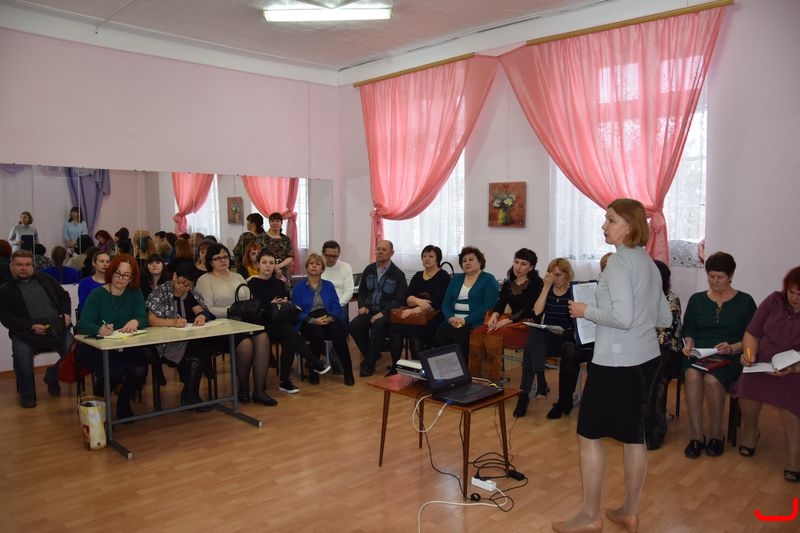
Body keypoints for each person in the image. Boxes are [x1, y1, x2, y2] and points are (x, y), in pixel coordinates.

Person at [556, 198, 672, 533]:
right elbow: (663, 317)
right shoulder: (649, 263)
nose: (603, 226)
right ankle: (629, 512)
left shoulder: (619, 263)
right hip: (646, 359)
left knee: (589, 436)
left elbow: (622, 318)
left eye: (611, 220)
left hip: (616, 363)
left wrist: (585, 311)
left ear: (630, 226)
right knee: (635, 438)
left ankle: (590, 517)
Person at [681, 251, 756, 459]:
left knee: (712, 380)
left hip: (730, 356)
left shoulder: (745, 301)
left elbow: (753, 336)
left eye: (720, 277)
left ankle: (716, 435)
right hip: (700, 354)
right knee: (691, 375)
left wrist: (733, 347)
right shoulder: (697, 300)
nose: (715, 281)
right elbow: (688, 330)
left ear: (730, 276)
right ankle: (696, 436)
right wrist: (689, 344)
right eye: (711, 276)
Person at [738, 266, 800, 482]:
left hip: (795, 367)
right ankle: (751, 431)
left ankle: (794, 453)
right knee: (747, 382)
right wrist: (749, 355)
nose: (795, 298)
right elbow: (752, 332)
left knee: (793, 392)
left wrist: (794, 368)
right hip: (764, 360)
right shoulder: (774, 300)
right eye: (791, 292)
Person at [195, 243, 275, 406]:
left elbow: (249, 300)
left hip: (243, 323)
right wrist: (230, 310)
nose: (223, 260)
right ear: (210, 261)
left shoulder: (238, 276)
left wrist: (247, 309)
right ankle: (243, 388)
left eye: (225, 256)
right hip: (219, 327)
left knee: (263, 337)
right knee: (245, 344)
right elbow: (208, 309)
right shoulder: (204, 280)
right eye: (217, 258)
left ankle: (259, 390)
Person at [516, 257, 594, 419]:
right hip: (548, 336)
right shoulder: (547, 290)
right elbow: (537, 312)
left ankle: (528, 393)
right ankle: (532, 388)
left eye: (558, 275)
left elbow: (580, 321)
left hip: (566, 337)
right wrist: (546, 287)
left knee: (531, 347)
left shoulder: (574, 292)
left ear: (567, 275)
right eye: (551, 274)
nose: (554, 279)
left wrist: (566, 331)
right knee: (534, 334)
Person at [76, 254, 148, 420]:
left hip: (126, 345)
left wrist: (136, 321)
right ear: (111, 272)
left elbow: (143, 317)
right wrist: (98, 329)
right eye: (117, 273)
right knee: (114, 370)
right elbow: (84, 323)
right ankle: (101, 406)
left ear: (132, 278)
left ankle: (123, 402)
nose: (121, 278)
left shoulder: (135, 293)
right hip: (99, 347)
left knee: (140, 370)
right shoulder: (97, 294)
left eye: (126, 275)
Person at [247, 250, 330, 394]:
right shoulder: (251, 284)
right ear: (258, 265)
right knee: (288, 331)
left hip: (278, 322)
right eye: (264, 262)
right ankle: (313, 361)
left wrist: (284, 303)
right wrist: (269, 305)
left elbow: (284, 306)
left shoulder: (279, 284)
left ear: (275, 265)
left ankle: (285, 381)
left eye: (271, 263)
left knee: (288, 334)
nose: (268, 266)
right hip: (260, 323)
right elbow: (252, 310)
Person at [0, 250, 73, 408]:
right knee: (21, 356)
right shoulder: (4, 290)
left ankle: (52, 375)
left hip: (56, 329)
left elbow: (64, 296)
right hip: (25, 334)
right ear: (11, 266)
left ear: (32, 266)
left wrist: (66, 314)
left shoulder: (45, 279)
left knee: (76, 352)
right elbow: (6, 318)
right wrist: (30, 326)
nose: (24, 268)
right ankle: (27, 394)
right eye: (19, 265)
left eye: (27, 265)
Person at [145, 260, 216, 411]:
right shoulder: (161, 292)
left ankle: (190, 395)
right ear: (174, 276)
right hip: (165, 342)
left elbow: (203, 311)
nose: (184, 288)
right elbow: (151, 320)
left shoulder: (191, 292)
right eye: (181, 283)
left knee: (200, 347)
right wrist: (172, 322)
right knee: (199, 350)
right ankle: (190, 396)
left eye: (188, 285)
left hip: (187, 339)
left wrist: (202, 316)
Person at [469, 248, 542, 383]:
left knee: (492, 334)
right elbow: (501, 304)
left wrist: (506, 321)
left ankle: (493, 380)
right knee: (477, 332)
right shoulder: (509, 283)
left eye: (523, 264)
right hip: (510, 322)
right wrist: (494, 315)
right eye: (516, 262)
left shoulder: (536, 283)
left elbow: (527, 309)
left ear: (531, 267)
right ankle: (474, 377)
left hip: (527, 325)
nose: (518, 267)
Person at [293, 252, 355, 386]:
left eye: (317, 264)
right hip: (308, 319)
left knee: (338, 333)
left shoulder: (328, 285)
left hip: (327, 317)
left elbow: (336, 306)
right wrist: (313, 320)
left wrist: (331, 318)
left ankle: (348, 371)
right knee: (317, 333)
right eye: (311, 264)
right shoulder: (299, 286)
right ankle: (313, 371)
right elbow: (296, 310)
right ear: (307, 267)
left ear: (322, 268)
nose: (314, 266)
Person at [350, 239, 408, 377]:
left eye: (384, 250)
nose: (380, 252)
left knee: (378, 325)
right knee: (353, 326)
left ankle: (369, 364)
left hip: (388, 312)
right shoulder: (369, 269)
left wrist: (382, 313)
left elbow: (399, 300)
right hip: (369, 309)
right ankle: (373, 355)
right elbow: (362, 292)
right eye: (378, 249)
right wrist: (362, 306)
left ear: (392, 253)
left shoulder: (398, 274)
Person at [388, 245, 450, 369]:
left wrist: (415, 307)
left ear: (438, 259)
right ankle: (395, 367)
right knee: (394, 329)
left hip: (434, 316)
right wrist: (419, 301)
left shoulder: (444, 276)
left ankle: (419, 369)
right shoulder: (418, 275)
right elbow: (407, 298)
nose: (427, 259)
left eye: (431, 256)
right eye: (424, 256)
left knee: (415, 331)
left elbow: (437, 302)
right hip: (413, 314)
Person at [434, 246, 499, 361]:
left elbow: (489, 305)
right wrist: (450, 318)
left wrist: (465, 320)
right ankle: (444, 369)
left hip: (474, 321)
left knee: (460, 339)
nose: (467, 263)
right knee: (440, 336)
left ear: (480, 261)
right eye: (464, 261)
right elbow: (446, 303)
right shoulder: (456, 279)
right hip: (453, 320)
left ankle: (461, 370)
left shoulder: (488, 279)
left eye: (471, 259)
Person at [645, 259, 683, 450]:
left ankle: (655, 430)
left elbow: (665, 334)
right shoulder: (639, 296)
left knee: (656, 374)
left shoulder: (671, 299)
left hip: (667, 352)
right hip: (645, 349)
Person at [320, 240, 354, 328]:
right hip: (320, 303)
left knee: (342, 319)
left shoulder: (346, 267)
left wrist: (337, 305)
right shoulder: (318, 267)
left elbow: (349, 291)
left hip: (340, 303)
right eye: (329, 256)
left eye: (335, 256)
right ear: (323, 253)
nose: (332, 259)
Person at [263, 212, 294, 284]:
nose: (275, 223)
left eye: (277, 221)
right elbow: (258, 255)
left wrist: (278, 266)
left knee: (284, 290)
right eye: (272, 221)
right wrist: (272, 266)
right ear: (269, 223)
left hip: (283, 271)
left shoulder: (286, 239)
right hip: (266, 269)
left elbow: (290, 257)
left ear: (281, 223)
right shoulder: (262, 237)